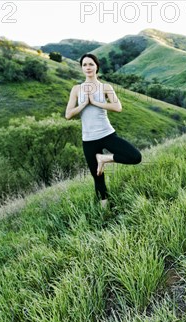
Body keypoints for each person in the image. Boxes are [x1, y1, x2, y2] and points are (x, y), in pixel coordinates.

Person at [65, 53, 142, 207]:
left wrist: (96, 102)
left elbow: (117, 107)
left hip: (107, 134)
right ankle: (104, 211)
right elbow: (68, 114)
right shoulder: (76, 89)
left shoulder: (105, 87)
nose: (88, 67)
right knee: (97, 177)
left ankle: (104, 159)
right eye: (84, 65)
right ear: (81, 68)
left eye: (91, 64)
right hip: (88, 139)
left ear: (96, 67)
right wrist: (83, 104)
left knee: (135, 157)